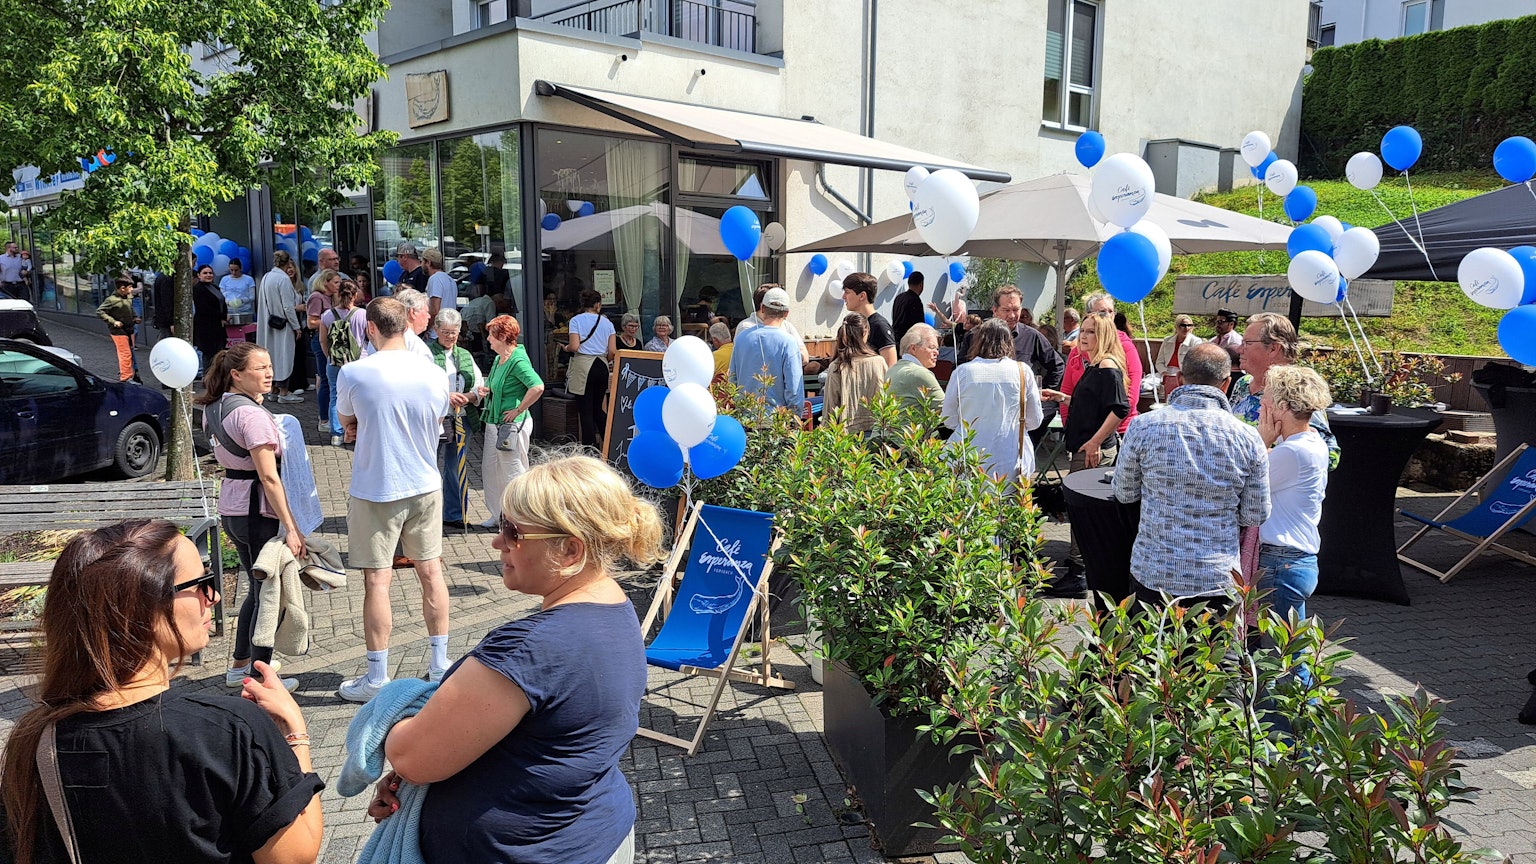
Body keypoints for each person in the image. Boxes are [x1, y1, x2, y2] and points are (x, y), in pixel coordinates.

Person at [367, 455, 661, 864]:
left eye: (514, 532)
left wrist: (391, 717)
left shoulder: (530, 649)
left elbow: (415, 758)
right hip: (592, 834)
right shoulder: (611, 603)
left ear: (570, 549)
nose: (497, 542)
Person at [0, 520, 324, 864]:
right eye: (200, 584)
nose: (211, 598)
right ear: (143, 607)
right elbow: (294, 856)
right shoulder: (229, 729)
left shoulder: (36, 741)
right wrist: (294, 735)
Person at [335, 297, 454, 701]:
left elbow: (347, 420)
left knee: (377, 582)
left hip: (376, 487)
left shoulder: (353, 372)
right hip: (425, 482)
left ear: (370, 328)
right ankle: (440, 666)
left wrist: (362, 426)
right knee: (432, 573)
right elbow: (437, 420)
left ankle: (377, 678)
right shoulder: (435, 373)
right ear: (406, 325)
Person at [1112, 343, 1270, 612]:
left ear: (1181, 378)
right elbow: (1255, 514)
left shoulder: (1144, 426)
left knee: (1151, 654)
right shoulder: (1247, 437)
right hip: (1216, 576)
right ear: (1226, 383)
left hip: (1155, 571)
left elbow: (1124, 492)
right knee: (1214, 654)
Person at [193, 342, 307, 690]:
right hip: (258, 510)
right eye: (260, 368)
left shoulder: (214, 406)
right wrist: (291, 527)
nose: (269, 373)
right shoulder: (252, 416)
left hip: (232, 506)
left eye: (270, 366)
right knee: (268, 595)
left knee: (256, 591)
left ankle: (238, 666)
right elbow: (270, 476)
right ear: (236, 374)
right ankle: (261, 677)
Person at [1255, 364, 1332, 626]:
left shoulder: (1294, 452)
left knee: (1285, 657)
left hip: (1281, 562)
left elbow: (1247, 484)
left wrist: (1261, 441)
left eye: (1266, 397)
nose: (1262, 403)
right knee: (1290, 654)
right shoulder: (1308, 443)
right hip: (1291, 561)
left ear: (1283, 406)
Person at [1231, 311, 1340, 469]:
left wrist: (1268, 456)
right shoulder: (1243, 383)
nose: (1239, 349)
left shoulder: (1297, 388)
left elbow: (1329, 455)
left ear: (1273, 349)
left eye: (1247, 343)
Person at [942, 318, 1044, 484]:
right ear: (1009, 342)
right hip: (1011, 459)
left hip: (968, 457)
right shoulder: (1022, 371)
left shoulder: (963, 373)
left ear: (979, 341)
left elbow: (948, 419)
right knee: (1009, 505)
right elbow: (1034, 420)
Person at [960, 286, 1065, 446]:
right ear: (994, 310)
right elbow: (960, 368)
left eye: (1016, 309)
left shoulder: (1031, 336)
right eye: (1006, 310)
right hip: (983, 410)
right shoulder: (975, 336)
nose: (1012, 315)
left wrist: (1039, 393)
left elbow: (1057, 365)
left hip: (1019, 412)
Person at [476, 314, 545, 530]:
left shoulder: (517, 360)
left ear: (504, 336)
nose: (488, 339)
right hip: (494, 422)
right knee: (490, 469)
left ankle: (520, 518)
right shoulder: (499, 359)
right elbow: (498, 385)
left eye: (491, 335)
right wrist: (487, 390)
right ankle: (497, 514)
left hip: (511, 425)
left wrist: (518, 409)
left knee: (512, 471)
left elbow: (537, 386)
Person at [430, 309, 485, 529]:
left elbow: (478, 383)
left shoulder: (466, 355)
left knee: (456, 467)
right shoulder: (426, 354)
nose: (450, 337)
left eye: (453, 332)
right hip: (434, 420)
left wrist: (471, 396)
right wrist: (446, 396)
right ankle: (428, 515)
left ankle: (454, 514)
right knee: (429, 466)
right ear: (435, 330)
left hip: (461, 418)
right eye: (445, 332)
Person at [1060, 291, 1142, 437]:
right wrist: (1068, 425)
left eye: (1111, 311)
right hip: (1083, 430)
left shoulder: (1126, 348)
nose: (1108, 316)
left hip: (1118, 432)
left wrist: (1100, 436)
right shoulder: (1077, 351)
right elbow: (1067, 390)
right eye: (1102, 312)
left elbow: (1130, 398)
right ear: (1088, 316)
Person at [729, 287, 804, 410]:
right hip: (777, 421)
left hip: (744, 416)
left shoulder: (742, 337)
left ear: (762, 308)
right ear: (786, 313)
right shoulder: (789, 342)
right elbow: (794, 388)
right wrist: (794, 417)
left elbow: (732, 377)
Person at [564, 289, 615, 450]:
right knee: (598, 408)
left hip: (584, 365)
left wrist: (565, 348)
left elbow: (574, 346)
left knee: (585, 410)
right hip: (602, 364)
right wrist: (605, 360)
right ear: (598, 304)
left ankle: (589, 449)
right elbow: (612, 351)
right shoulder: (607, 323)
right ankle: (609, 443)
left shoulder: (576, 320)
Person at [318, 282, 367, 446]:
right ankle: (356, 432)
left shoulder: (327, 315)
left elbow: (322, 341)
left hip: (334, 362)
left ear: (338, 294)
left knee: (335, 396)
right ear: (354, 296)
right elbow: (369, 338)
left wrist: (330, 357)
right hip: (358, 361)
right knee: (359, 396)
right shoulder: (362, 314)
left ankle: (336, 434)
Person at [822, 313, 888, 434]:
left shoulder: (837, 366)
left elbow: (830, 406)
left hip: (846, 434)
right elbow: (886, 398)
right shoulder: (879, 362)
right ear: (865, 332)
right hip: (876, 431)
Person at [258, 251, 303, 403]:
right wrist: (296, 327)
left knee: (272, 356)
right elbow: (288, 307)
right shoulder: (283, 279)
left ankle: (273, 390)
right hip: (283, 325)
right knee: (284, 355)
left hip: (268, 324)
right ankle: (284, 392)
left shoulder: (267, 277)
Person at [736, 283, 810, 365]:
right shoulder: (746, 327)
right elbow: (756, 359)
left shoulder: (786, 325)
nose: (781, 306)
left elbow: (805, 356)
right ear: (762, 306)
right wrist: (789, 356)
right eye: (778, 302)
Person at [306, 268, 340, 431]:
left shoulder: (331, 298)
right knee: (325, 378)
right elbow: (311, 322)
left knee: (328, 378)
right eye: (335, 282)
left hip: (331, 339)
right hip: (320, 340)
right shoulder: (317, 297)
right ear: (325, 282)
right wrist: (330, 322)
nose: (338, 285)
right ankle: (324, 419)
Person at [841, 272, 897, 367]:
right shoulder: (852, 323)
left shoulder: (880, 326)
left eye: (847, 292)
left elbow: (890, 367)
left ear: (862, 296)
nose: (843, 297)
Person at [886, 323, 943, 414]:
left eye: (937, 349)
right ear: (913, 349)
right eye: (931, 347)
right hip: (910, 427)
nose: (936, 353)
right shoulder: (919, 374)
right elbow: (946, 411)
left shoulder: (893, 369)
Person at [96, 277, 140, 383]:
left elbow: (130, 308)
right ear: (122, 288)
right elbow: (100, 312)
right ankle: (125, 377)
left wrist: (134, 317)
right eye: (129, 288)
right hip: (118, 331)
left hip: (129, 328)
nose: (131, 290)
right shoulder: (111, 300)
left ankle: (128, 373)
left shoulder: (128, 296)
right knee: (125, 353)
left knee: (130, 352)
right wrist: (113, 321)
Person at [190, 264, 229, 377]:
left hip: (218, 326)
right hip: (206, 327)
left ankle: (217, 377)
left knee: (218, 352)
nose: (208, 275)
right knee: (208, 354)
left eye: (210, 273)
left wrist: (224, 316)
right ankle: (208, 378)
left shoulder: (215, 287)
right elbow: (204, 308)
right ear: (199, 275)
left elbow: (222, 302)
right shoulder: (198, 289)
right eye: (205, 273)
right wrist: (221, 316)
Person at [1154, 314, 1204, 395]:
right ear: (1176, 327)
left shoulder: (1196, 342)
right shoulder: (1167, 340)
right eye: (1183, 325)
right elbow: (1159, 362)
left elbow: (1196, 364)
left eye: (1189, 325)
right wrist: (1164, 372)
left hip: (1184, 375)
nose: (1186, 328)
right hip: (1166, 373)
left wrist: (1182, 376)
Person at [891, 270, 926, 346]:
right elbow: (918, 324)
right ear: (921, 284)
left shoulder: (899, 297)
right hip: (908, 341)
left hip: (895, 338)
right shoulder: (915, 300)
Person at [423, 247, 457, 325]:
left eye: (422, 261)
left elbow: (435, 310)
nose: (421, 265)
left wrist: (426, 329)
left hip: (436, 331)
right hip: (449, 327)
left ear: (428, 262)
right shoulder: (450, 279)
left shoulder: (435, 279)